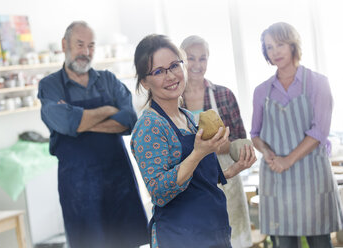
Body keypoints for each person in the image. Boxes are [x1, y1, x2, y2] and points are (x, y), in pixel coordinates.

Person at [130, 34, 256, 248]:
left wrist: (233, 170)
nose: (170, 76)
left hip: (212, 231)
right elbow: (160, 193)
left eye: (174, 65)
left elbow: (198, 181)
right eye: (159, 71)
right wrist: (198, 152)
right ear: (144, 81)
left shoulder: (187, 117)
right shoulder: (149, 127)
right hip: (181, 237)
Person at [37, 21, 148, 248]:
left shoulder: (108, 80)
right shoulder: (50, 86)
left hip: (119, 183)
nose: (86, 52)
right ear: (64, 44)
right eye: (80, 45)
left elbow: (129, 119)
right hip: (78, 189)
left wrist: (80, 123)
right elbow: (64, 121)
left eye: (91, 46)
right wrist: (108, 110)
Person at [251, 22, 343, 248]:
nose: (275, 52)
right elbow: (255, 133)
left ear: (293, 45)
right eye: (269, 47)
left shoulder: (318, 83)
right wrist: (267, 152)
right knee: (284, 244)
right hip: (276, 179)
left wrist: (287, 160)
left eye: (280, 44)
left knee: (320, 241)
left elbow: (319, 130)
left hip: (311, 176)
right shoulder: (261, 91)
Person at [180, 35, 252, 248]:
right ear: (181, 61)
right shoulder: (173, 99)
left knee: (232, 239)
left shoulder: (224, 95)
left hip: (227, 182)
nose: (197, 65)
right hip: (191, 184)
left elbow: (240, 138)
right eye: (190, 58)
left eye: (202, 59)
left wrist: (227, 145)